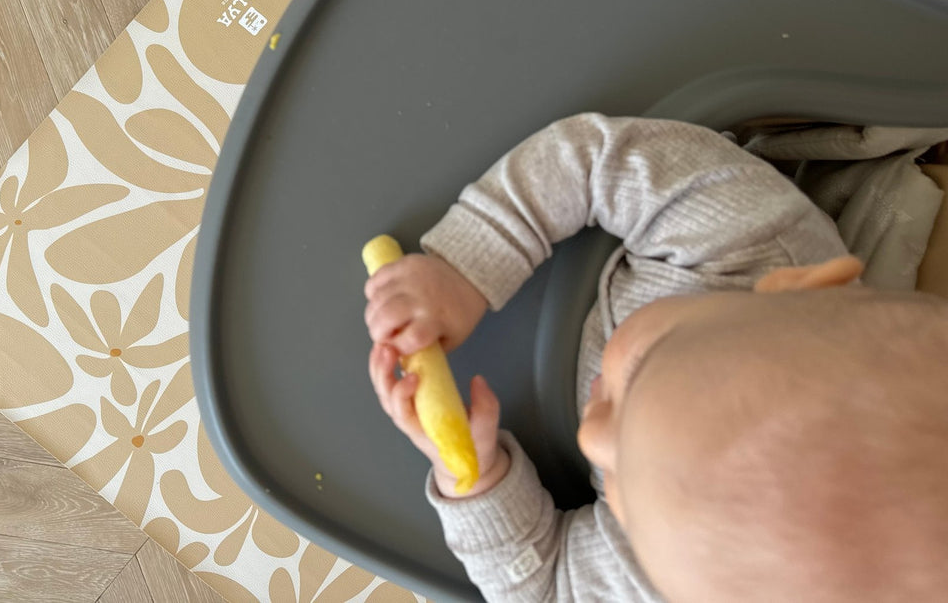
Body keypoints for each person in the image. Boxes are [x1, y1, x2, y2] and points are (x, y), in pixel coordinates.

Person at [364, 114, 948, 602]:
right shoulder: (749, 242)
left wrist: (476, 479)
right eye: (642, 370)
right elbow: (597, 160)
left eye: (624, 488)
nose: (593, 438)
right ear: (798, 284)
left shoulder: (673, 574)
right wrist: (468, 265)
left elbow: (542, 590)